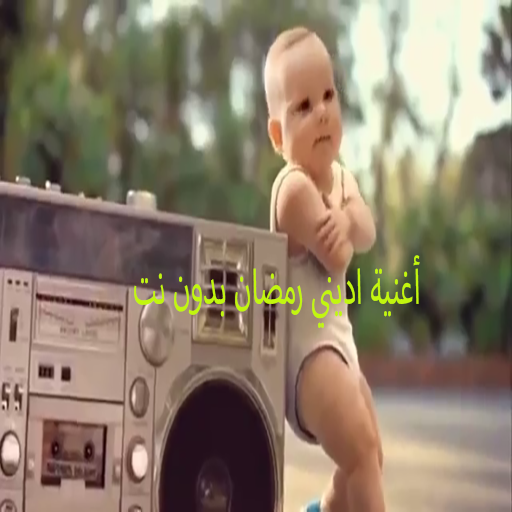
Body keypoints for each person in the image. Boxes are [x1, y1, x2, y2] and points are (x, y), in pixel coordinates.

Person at [264, 27, 385, 512]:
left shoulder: (341, 176)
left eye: (329, 96)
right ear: (278, 135)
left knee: (370, 458)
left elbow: (367, 231)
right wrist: (346, 218)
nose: (322, 113)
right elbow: (339, 255)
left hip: (340, 346)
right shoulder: (292, 190)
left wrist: (350, 219)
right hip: (307, 358)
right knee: (360, 452)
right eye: (303, 106)